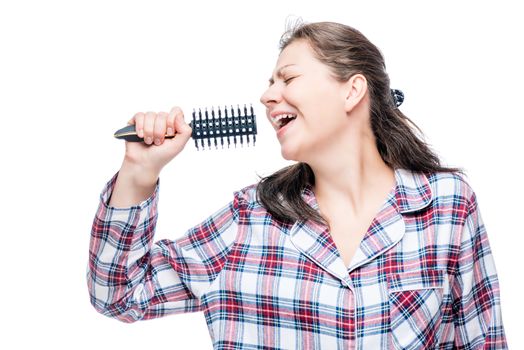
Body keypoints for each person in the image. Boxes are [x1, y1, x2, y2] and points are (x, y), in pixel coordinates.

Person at [87, 21, 507, 349]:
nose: (267, 96)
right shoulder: (247, 220)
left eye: (287, 79)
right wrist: (139, 173)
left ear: (352, 91)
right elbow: (119, 294)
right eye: (271, 83)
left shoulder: (447, 206)